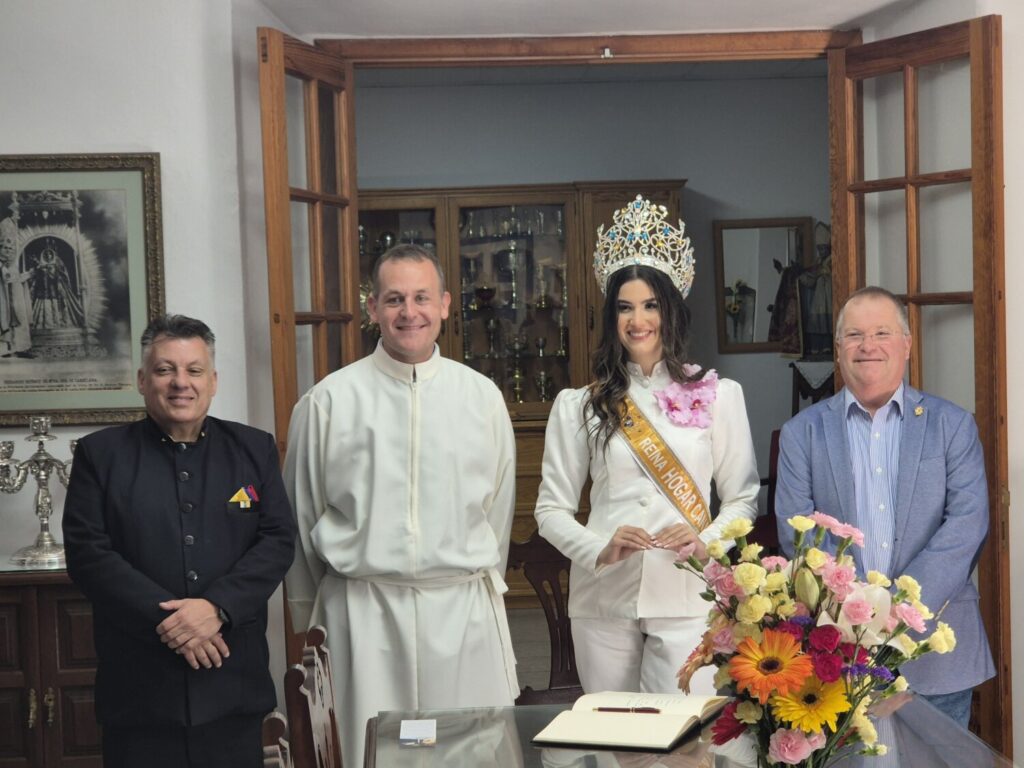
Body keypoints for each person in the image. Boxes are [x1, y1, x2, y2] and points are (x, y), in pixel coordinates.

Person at [284, 243, 519, 768]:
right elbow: (300, 520)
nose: (408, 312)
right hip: (363, 616)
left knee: (464, 755)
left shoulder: (481, 399)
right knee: (373, 755)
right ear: (373, 308)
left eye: (420, 297)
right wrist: (309, 625)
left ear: (445, 305)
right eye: (393, 299)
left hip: (461, 616)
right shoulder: (328, 402)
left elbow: (497, 513)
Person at [534, 196, 760, 695]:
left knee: (684, 738)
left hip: (685, 592)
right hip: (603, 596)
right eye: (625, 307)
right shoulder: (579, 405)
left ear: (671, 308)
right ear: (611, 315)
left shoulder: (720, 396)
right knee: (613, 733)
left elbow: (742, 497)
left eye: (651, 305)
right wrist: (599, 548)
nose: (638, 320)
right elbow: (550, 510)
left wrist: (707, 541)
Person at [63, 314, 296, 768]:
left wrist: (216, 609)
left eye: (193, 370)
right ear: (142, 380)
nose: (180, 383)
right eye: (165, 369)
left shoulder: (254, 448)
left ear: (213, 381)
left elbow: (276, 539)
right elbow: (89, 555)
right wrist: (174, 623)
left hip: (233, 681)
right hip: (140, 691)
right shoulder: (100, 455)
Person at [774, 285, 995, 727]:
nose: (867, 346)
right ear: (838, 350)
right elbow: (798, 532)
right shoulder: (803, 434)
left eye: (882, 333)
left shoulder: (952, 426)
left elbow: (967, 525)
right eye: (854, 335)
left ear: (907, 345)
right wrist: (857, 617)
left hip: (936, 650)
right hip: (840, 652)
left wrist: (893, 609)